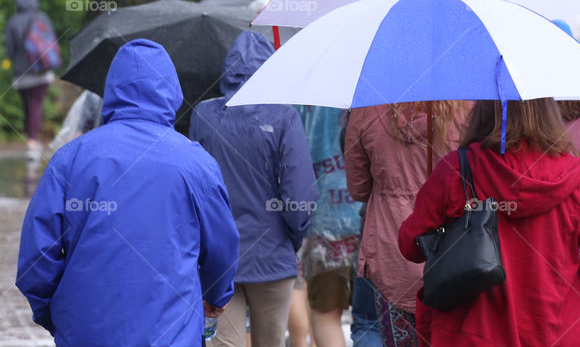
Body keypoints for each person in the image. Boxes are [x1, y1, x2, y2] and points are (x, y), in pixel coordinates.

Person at [16, 38, 239, 346]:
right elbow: (222, 247)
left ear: (112, 90)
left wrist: (56, 312)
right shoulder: (196, 163)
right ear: (172, 90)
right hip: (172, 334)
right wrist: (216, 296)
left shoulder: (70, 160)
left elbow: (36, 257)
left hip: (86, 332)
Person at [398, 98, 580, 347]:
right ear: (548, 115)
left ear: (483, 113)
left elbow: (410, 245)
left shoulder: (455, 170)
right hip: (560, 331)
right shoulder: (574, 176)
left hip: (473, 333)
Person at [189, 31, 318, 347]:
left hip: (217, 259)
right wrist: (292, 237)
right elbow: (299, 194)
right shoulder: (285, 117)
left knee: (224, 344)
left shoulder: (203, 115)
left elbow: (194, 187)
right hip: (272, 255)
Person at [344, 101, 469, 347]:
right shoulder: (468, 107)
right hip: (455, 253)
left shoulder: (367, 108)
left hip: (391, 253)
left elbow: (358, 188)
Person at [296, 105, 362, 347]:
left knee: (326, 312)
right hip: (371, 218)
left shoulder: (307, 88)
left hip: (324, 219)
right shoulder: (373, 84)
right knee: (371, 317)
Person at [5, 0, 59, 151]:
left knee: (28, 105)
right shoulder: (42, 18)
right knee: (36, 104)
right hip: (41, 72)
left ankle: (31, 137)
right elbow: (52, 43)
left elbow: (10, 51)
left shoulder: (12, 22)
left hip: (21, 74)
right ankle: (32, 140)